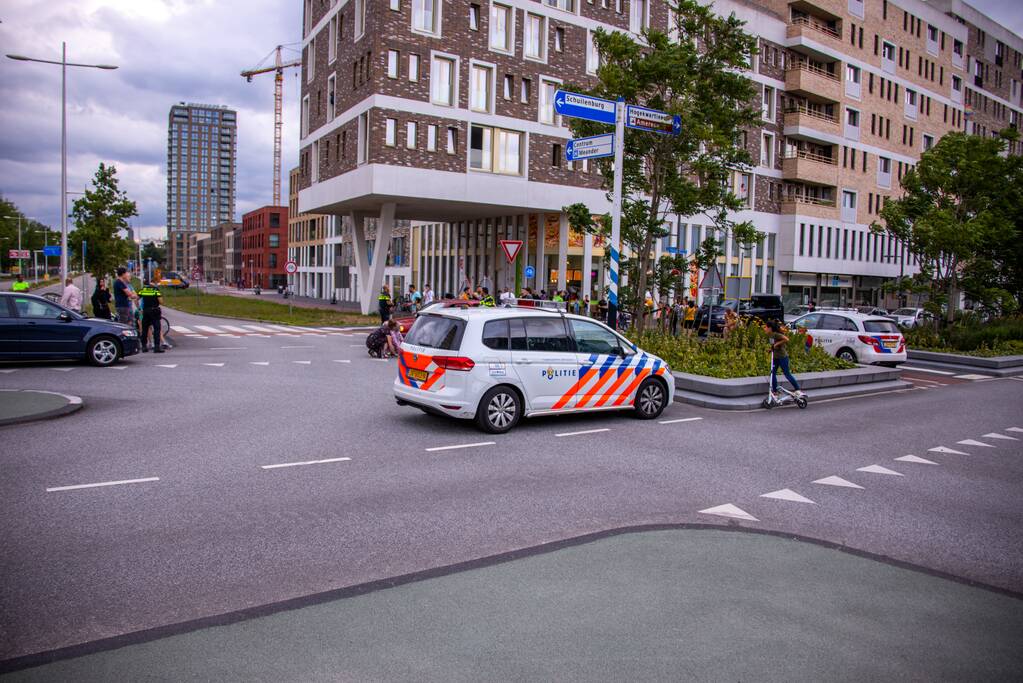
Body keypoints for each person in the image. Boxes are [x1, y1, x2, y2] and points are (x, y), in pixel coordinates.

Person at [766, 320, 803, 398]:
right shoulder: (770, 335)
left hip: (782, 357)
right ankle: (775, 391)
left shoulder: (776, 334)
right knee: (772, 373)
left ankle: (797, 389)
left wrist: (776, 344)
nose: (765, 329)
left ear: (770, 328)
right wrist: (771, 349)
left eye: (766, 327)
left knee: (787, 374)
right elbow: (773, 345)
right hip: (775, 357)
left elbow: (786, 339)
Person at [137, 279, 165, 353]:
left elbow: (136, 299)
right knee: (156, 329)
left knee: (145, 329)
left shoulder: (143, 290)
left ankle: (144, 347)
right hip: (154, 311)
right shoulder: (156, 290)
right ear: (154, 283)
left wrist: (139, 308)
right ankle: (156, 347)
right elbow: (161, 302)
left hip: (146, 311)